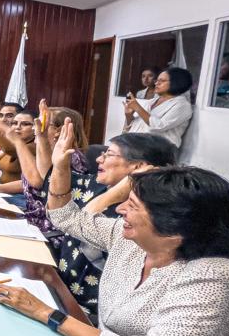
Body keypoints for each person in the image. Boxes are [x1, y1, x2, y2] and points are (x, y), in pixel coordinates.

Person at [0, 125, 229, 336]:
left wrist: (46, 314)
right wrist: (60, 165)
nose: (119, 209)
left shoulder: (212, 278)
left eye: (132, 206)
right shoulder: (131, 242)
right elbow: (67, 217)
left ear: (174, 230)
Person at [45, 132, 176, 316]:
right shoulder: (97, 183)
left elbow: (79, 224)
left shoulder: (143, 215)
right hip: (60, 281)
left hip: (88, 307)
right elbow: (59, 204)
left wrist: (123, 188)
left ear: (139, 167)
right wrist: (59, 164)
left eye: (109, 155)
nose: (99, 159)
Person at [123, 67, 193, 148]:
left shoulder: (182, 105)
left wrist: (138, 108)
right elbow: (134, 127)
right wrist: (129, 115)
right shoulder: (151, 102)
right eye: (157, 80)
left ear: (176, 83)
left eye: (162, 81)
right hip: (135, 145)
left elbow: (159, 126)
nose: (156, 83)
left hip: (158, 149)